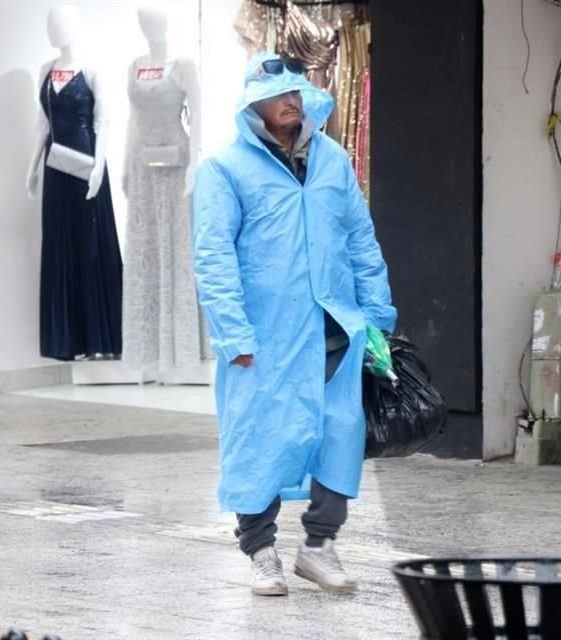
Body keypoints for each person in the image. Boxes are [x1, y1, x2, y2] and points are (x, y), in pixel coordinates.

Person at [192, 52, 396, 596]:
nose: (291, 101)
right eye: (279, 94)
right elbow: (213, 257)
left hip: (335, 328)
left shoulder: (332, 160)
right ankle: (260, 550)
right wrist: (233, 334)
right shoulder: (224, 169)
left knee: (340, 434)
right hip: (264, 336)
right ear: (252, 104)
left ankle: (319, 546)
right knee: (257, 439)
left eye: (297, 92)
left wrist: (377, 318)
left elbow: (361, 241)